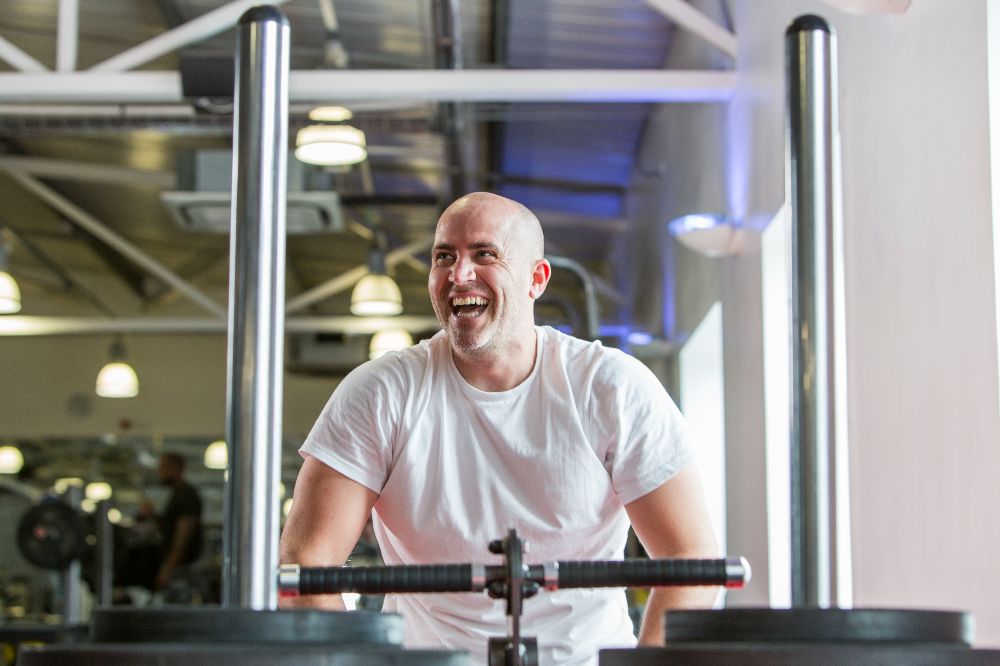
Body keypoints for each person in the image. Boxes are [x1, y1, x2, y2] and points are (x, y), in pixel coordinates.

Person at [280, 192, 720, 665]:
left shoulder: (610, 387)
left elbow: (693, 563)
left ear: (536, 279)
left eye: (484, 254)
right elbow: (307, 565)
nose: (458, 274)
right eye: (443, 257)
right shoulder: (381, 393)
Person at [154, 452, 203, 595]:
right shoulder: (177, 494)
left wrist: (168, 568)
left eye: (163, 467)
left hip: (183, 569)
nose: (159, 472)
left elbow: (182, 537)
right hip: (179, 567)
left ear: (176, 468)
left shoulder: (186, 496)